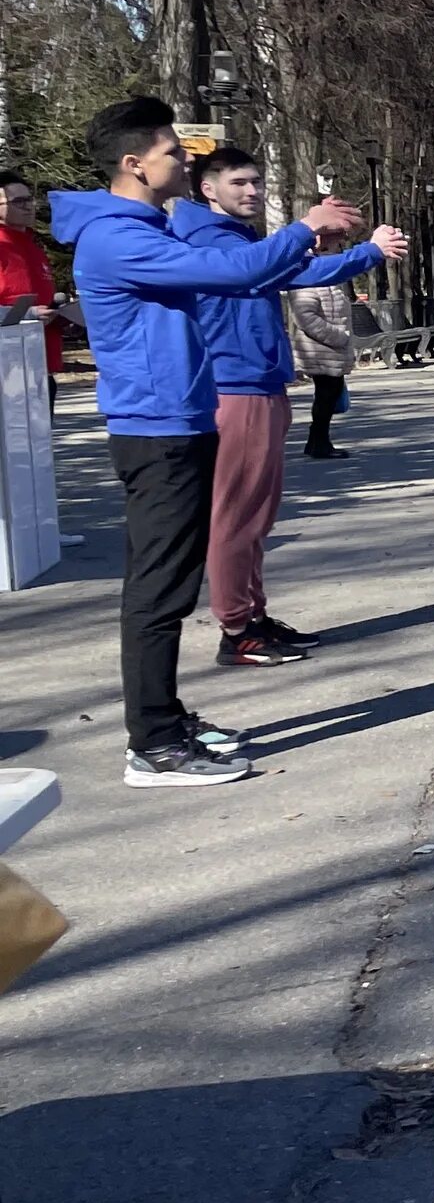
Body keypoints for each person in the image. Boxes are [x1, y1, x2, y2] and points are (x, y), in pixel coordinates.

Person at [53, 97, 361, 785]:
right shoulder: (117, 238)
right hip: (155, 431)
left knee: (169, 583)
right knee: (159, 592)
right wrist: (308, 225)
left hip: (181, 421)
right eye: (172, 152)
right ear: (134, 164)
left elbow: (245, 273)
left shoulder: (146, 229)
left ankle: (164, 718)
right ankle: (153, 746)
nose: (182, 161)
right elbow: (235, 274)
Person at [171, 146, 407, 665]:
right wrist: (352, 246)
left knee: (257, 516)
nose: (252, 191)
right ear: (208, 189)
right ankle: (237, 630)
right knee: (236, 518)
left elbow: (296, 271)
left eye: (256, 182)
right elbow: (281, 272)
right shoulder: (208, 240)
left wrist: (347, 248)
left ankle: (252, 617)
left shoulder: (238, 238)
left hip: (260, 385)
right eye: (239, 183)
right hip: (235, 387)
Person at [0, 173, 71, 404]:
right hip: (7, 372)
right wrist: (29, 315)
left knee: (39, 441)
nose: (28, 206)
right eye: (17, 201)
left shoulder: (33, 246)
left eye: (30, 199)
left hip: (40, 367)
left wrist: (64, 319)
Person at [287, 259, 356, 459]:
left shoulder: (329, 282)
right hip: (319, 350)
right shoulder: (305, 283)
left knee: (330, 395)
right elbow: (305, 317)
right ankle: (319, 443)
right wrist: (338, 336)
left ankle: (317, 441)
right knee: (326, 396)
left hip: (332, 350)